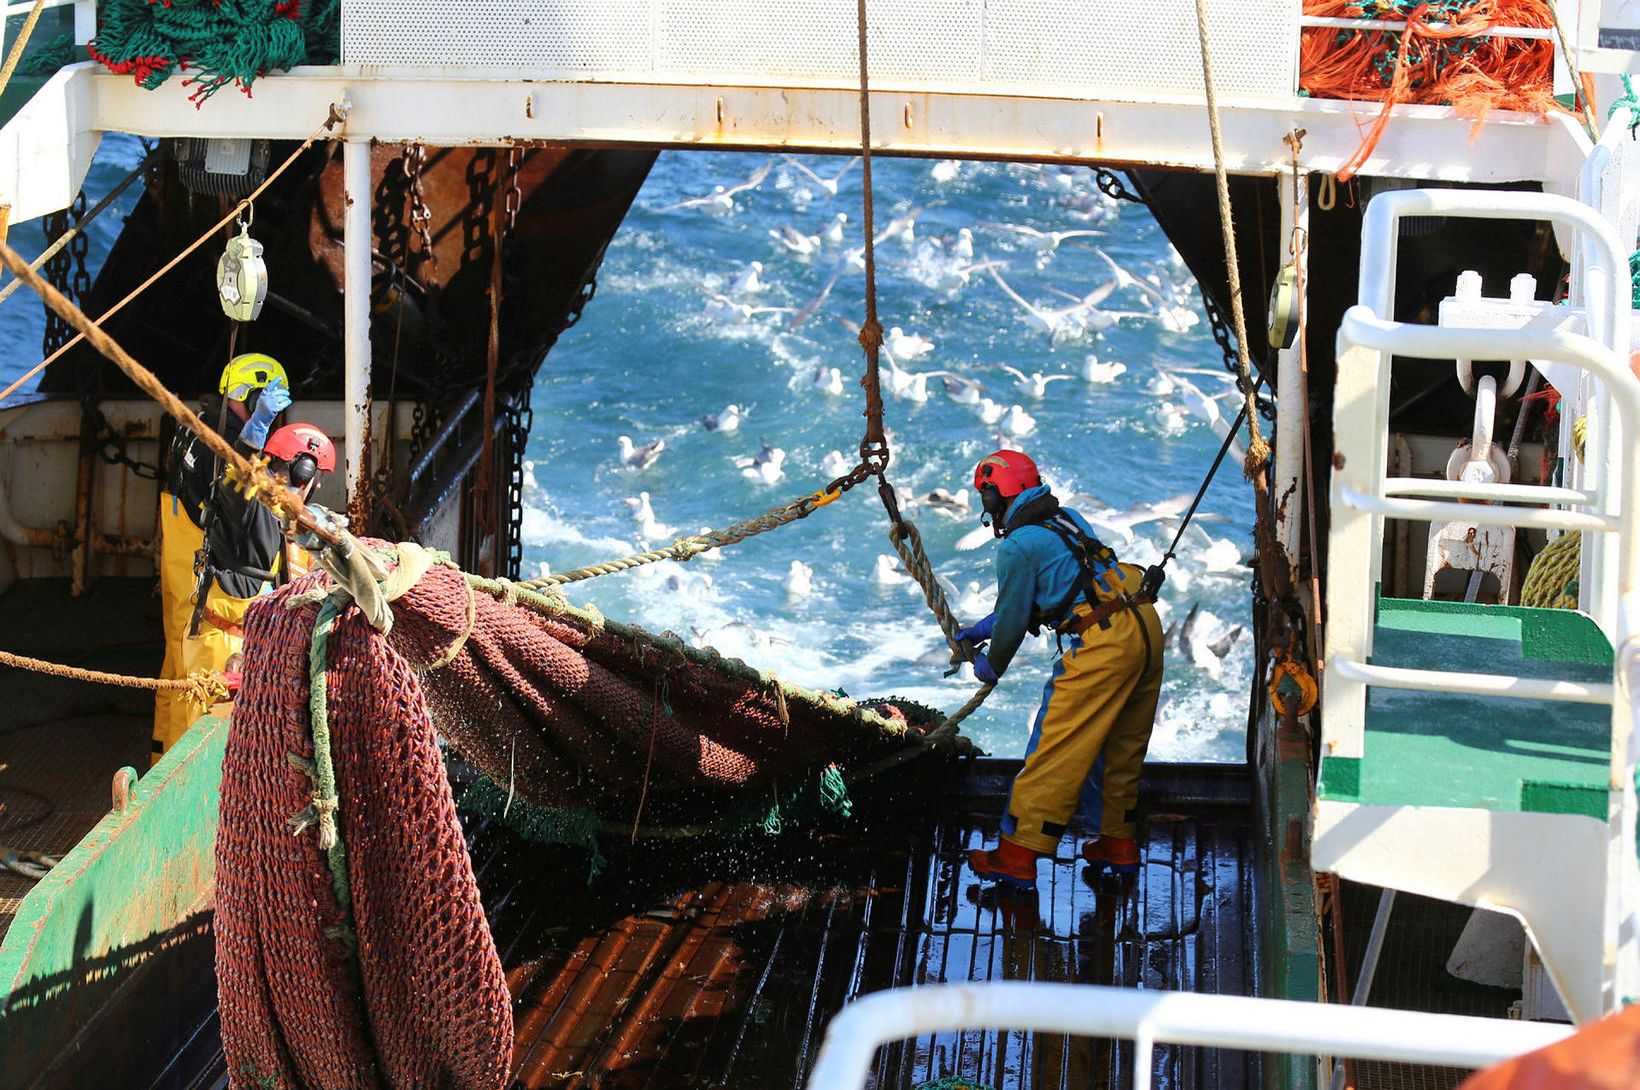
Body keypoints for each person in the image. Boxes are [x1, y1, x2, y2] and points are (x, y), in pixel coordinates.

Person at [955, 449, 1164, 890]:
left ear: (996, 493)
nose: (983, 502)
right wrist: (984, 627)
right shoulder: (1065, 518)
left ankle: (1016, 855)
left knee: (1055, 747)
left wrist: (989, 664)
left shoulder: (1016, 545)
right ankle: (1117, 843)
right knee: (1120, 745)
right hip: (1140, 622)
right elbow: (1064, 585)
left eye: (984, 493)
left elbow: (1015, 620)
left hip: (1101, 641)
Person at [153, 353, 290, 761]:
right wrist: (255, 436)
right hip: (214, 600)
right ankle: (187, 804)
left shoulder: (193, 425)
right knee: (204, 701)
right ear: (253, 398)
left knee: (177, 682)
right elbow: (233, 496)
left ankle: (158, 776)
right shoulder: (225, 447)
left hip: (182, 584)